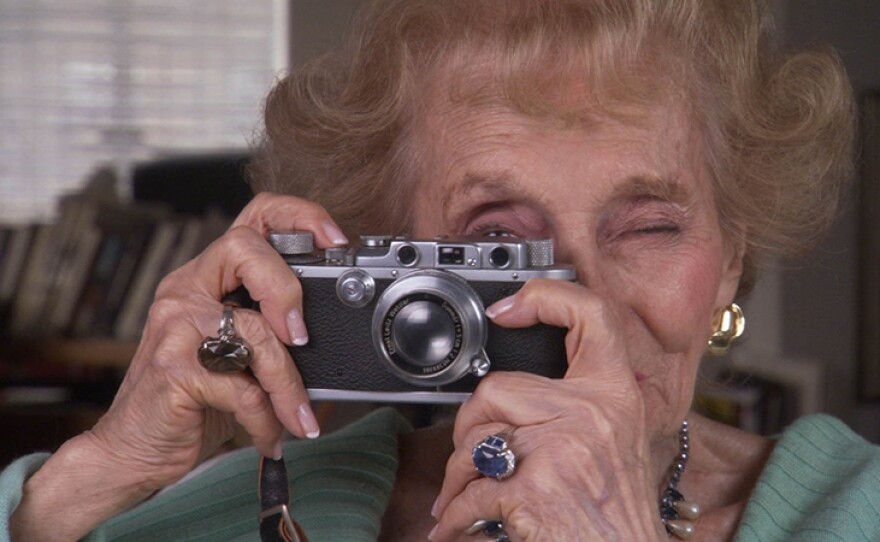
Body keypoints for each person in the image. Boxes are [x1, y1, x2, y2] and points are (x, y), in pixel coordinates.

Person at [3, 0, 879, 540]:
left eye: (648, 226)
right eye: (495, 240)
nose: (580, 304)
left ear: (733, 257)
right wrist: (93, 476)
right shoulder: (260, 506)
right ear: (395, 262)